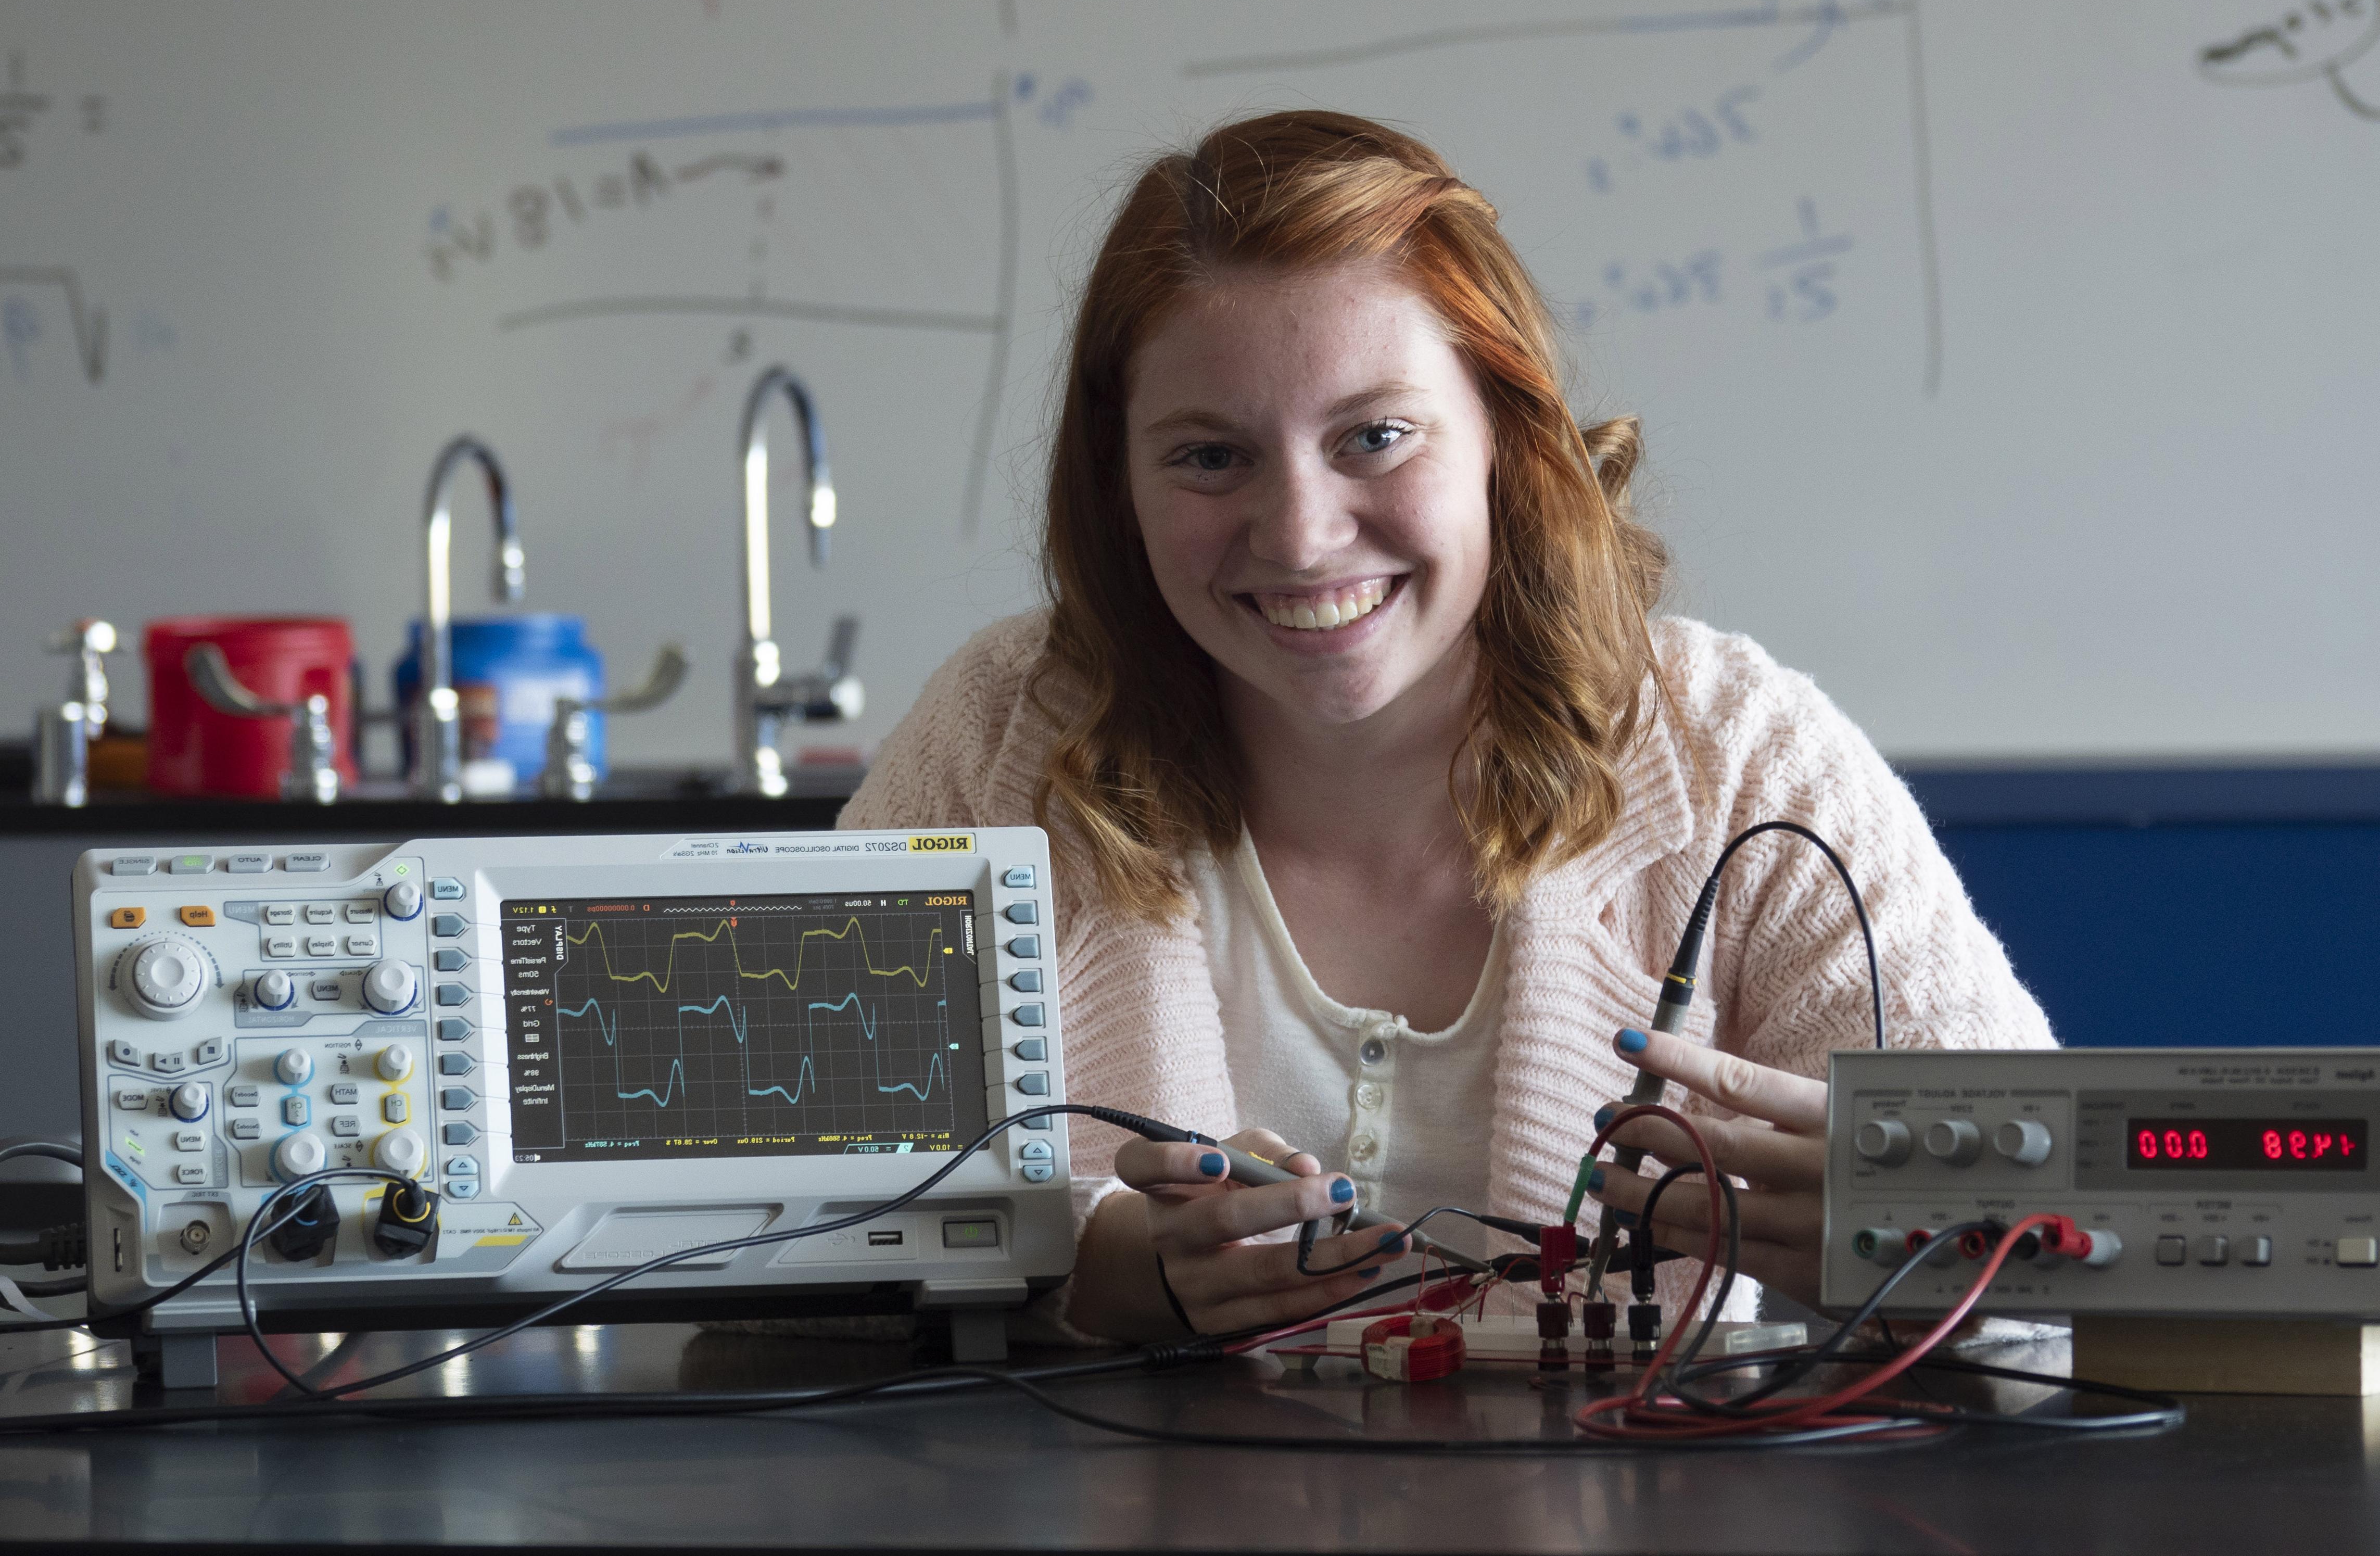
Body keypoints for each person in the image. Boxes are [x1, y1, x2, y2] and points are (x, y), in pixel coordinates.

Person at [842, 110, 2053, 1340]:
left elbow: (2042, 1229)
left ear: (1504, 436)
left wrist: (1895, 1251)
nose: (1302, 536)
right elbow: (789, 1259)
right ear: (1120, 484)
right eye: (1210, 457)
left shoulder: (1735, 751)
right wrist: (1107, 1276)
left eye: (1375, 437)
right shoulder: (1003, 737)